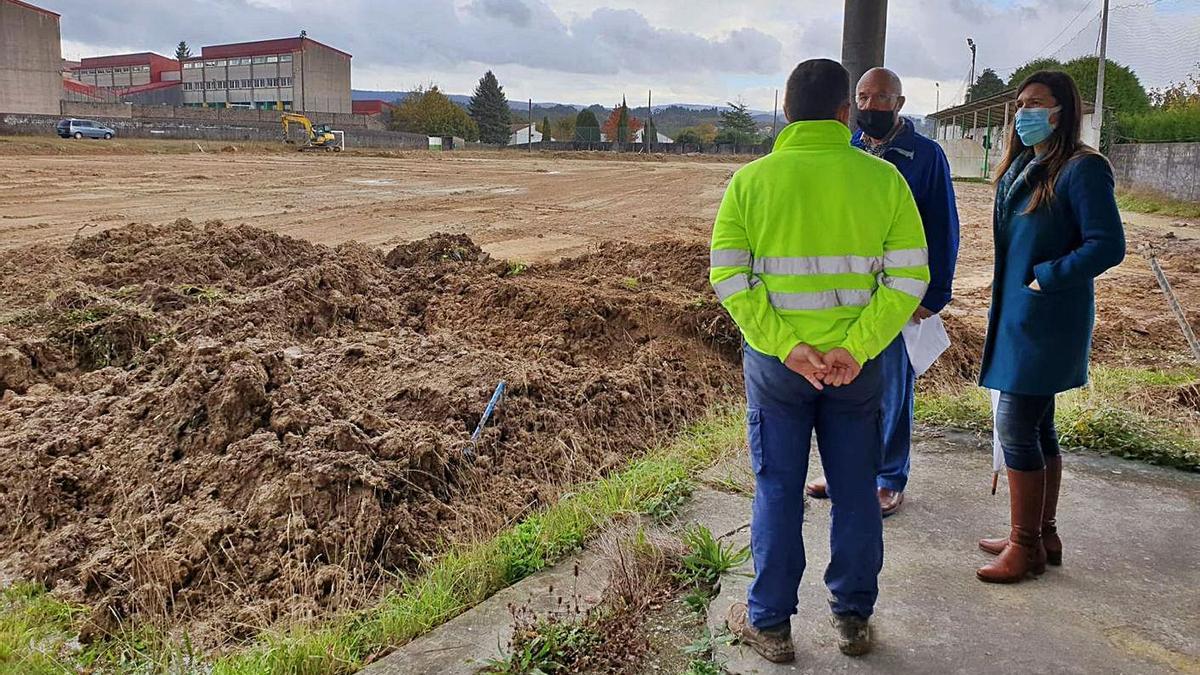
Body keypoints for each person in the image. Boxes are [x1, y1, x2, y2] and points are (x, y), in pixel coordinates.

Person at [711, 58, 930, 661]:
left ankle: (771, 626)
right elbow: (910, 277)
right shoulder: (884, 181)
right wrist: (853, 349)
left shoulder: (750, 183)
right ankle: (853, 620)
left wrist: (787, 345)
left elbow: (729, 276)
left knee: (777, 489)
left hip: (779, 369)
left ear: (785, 111)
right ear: (846, 112)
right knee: (857, 489)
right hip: (856, 372)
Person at [976, 70, 1125, 583]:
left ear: (1064, 110)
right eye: (1020, 103)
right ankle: (1042, 533)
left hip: (1047, 318)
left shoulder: (1083, 169)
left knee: (1015, 425)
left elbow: (1107, 245)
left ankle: (1026, 547)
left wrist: (1045, 279)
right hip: (1020, 317)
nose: (1025, 112)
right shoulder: (1023, 165)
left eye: (1037, 102)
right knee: (1038, 426)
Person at [805, 67, 961, 516]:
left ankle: (890, 477)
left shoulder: (924, 156)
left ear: (900, 103)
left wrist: (934, 295)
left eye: (881, 98)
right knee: (842, 387)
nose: (871, 106)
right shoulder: (847, 149)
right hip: (849, 295)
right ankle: (842, 471)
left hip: (897, 296)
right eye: (863, 98)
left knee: (893, 389)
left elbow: (943, 228)